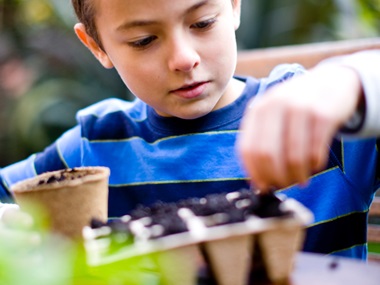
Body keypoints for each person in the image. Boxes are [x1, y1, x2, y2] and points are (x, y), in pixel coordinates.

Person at [0, 0, 379, 261]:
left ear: (233, 6)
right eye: (144, 40)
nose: (184, 58)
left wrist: (348, 84)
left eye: (202, 23)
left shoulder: (315, 119)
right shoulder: (94, 146)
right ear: (97, 45)